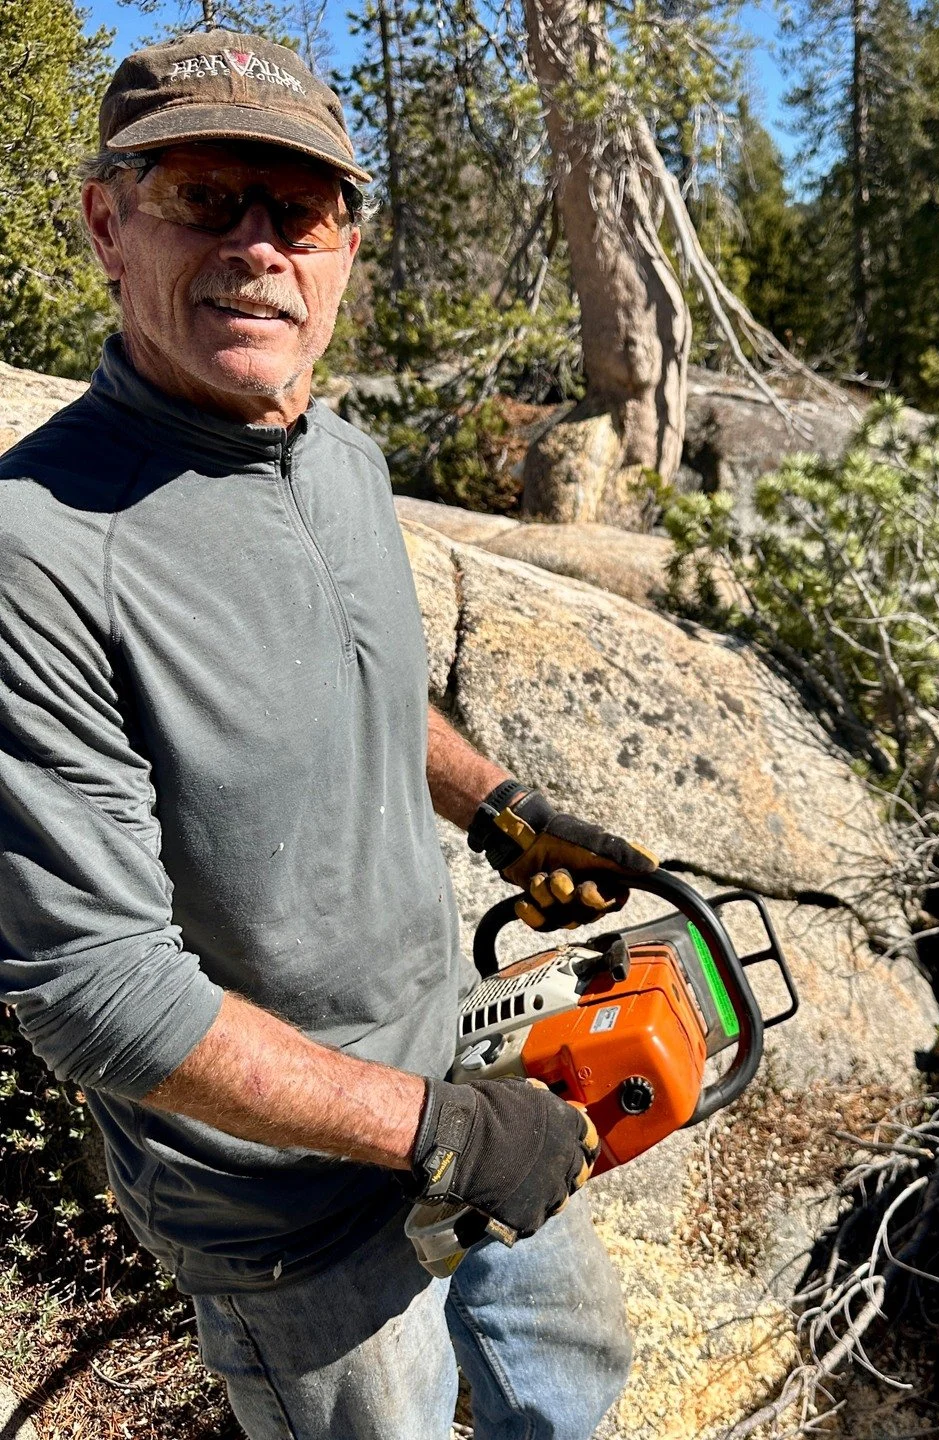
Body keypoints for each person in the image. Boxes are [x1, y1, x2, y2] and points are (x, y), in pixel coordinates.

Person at [0, 29, 652, 1440]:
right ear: (109, 223)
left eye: (295, 210)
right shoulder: (40, 552)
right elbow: (97, 994)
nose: (255, 247)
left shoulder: (339, 457)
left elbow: (357, 682)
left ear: (346, 245)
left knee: (571, 1389)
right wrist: (434, 1135)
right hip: (284, 1212)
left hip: (470, 1071)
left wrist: (497, 810)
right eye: (200, 193)